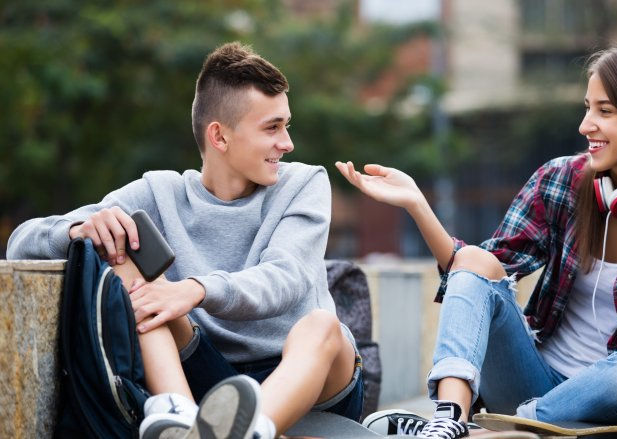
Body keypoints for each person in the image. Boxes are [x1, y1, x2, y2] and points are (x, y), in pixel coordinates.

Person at [336, 44, 617, 439]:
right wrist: (417, 205)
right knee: (475, 261)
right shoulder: (559, 180)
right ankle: (449, 419)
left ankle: (498, 433)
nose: (585, 125)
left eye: (604, 111)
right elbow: (475, 272)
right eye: (587, 108)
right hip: (532, 382)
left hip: (614, 403)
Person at [7, 42, 363, 439]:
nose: (287, 143)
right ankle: (180, 416)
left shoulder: (303, 183)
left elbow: (286, 278)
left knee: (322, 326)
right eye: (272, 128)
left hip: (308, 382)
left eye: (286, 125)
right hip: (204, 375)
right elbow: (21, 244)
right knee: (119, 247)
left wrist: (195, 290)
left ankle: (251, 429)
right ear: (220, 137)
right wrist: (79, 230)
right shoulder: (159, 193)